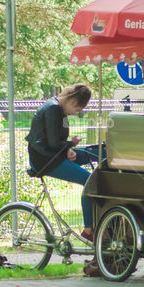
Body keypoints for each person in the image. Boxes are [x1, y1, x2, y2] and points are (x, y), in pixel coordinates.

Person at [25, 83, 98, 241]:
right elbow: (52, 143)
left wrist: (68, 148)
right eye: (78, 109)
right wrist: (69, 145)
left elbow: (59, 140)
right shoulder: (53, 110)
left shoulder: (61, 112)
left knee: (94, 153)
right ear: (73, 102)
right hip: (45, 160)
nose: (77, 112)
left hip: (55, 154)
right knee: (89, 180)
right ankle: (88, 230)